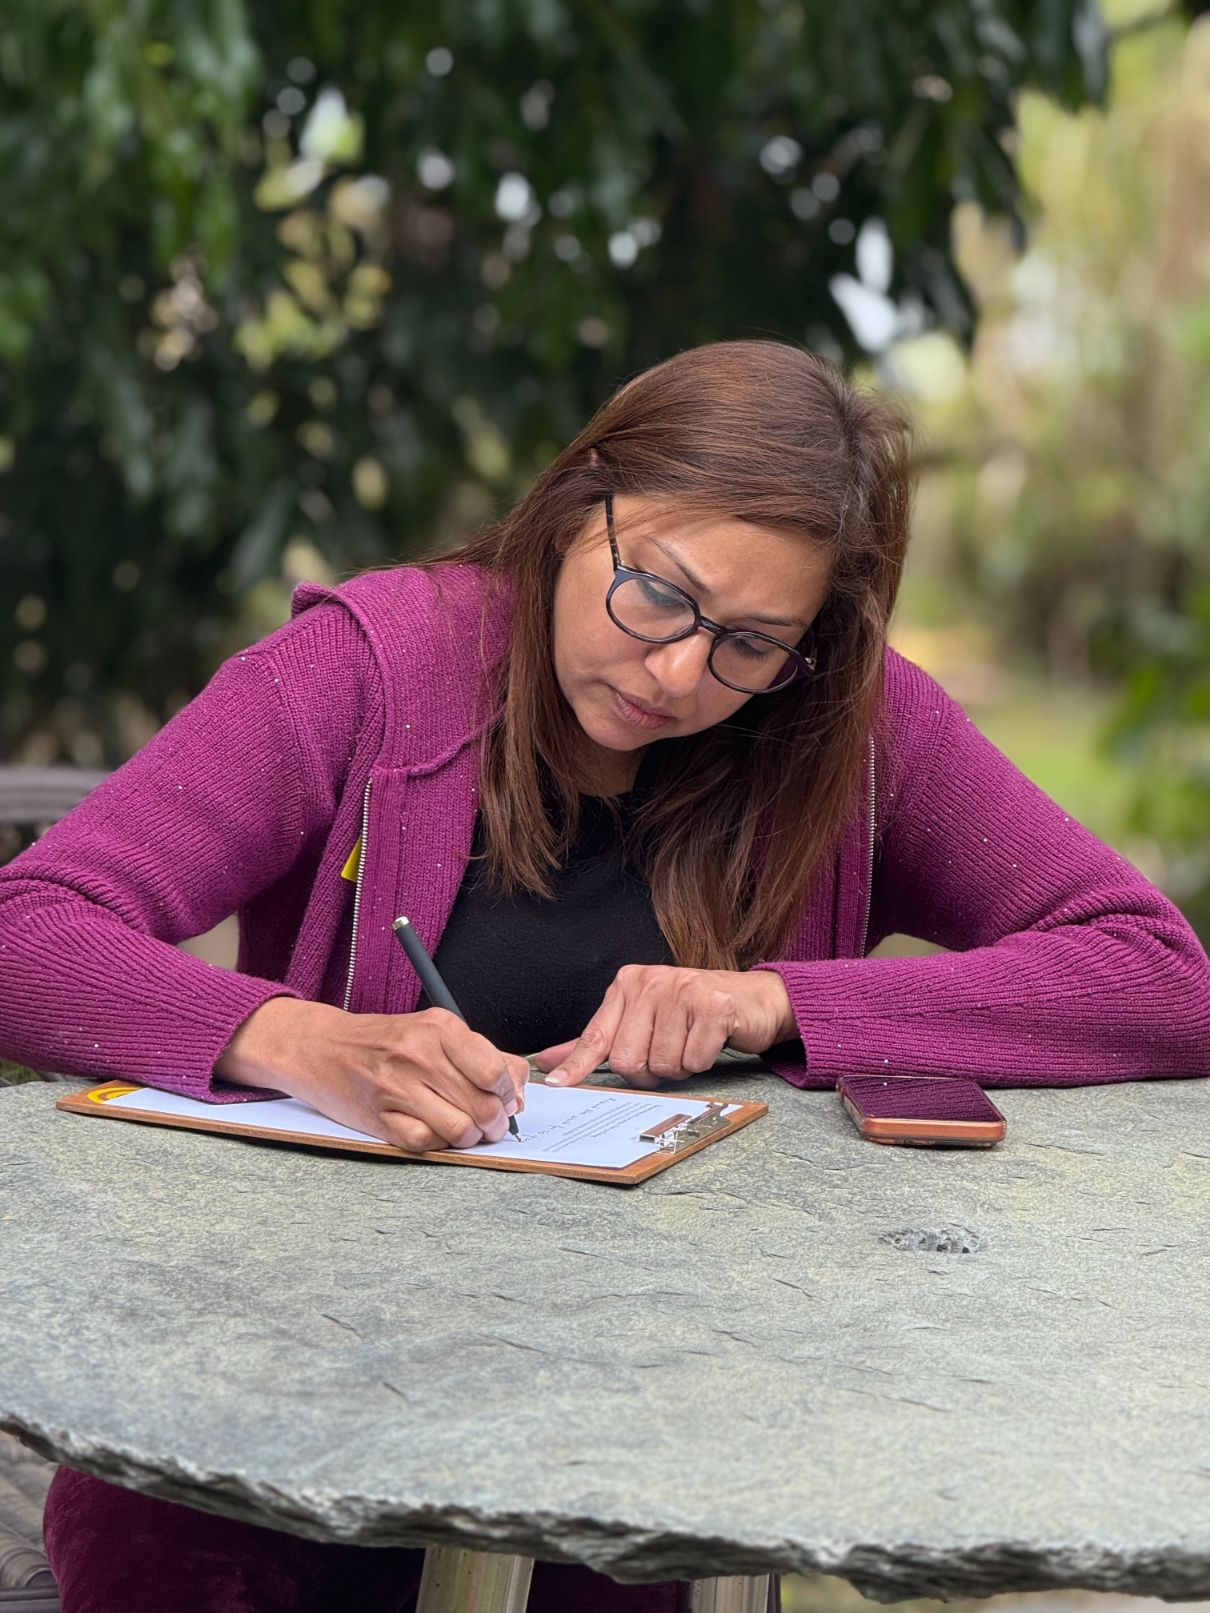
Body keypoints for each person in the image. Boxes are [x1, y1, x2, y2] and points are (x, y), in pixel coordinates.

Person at [2, 340, 1208, 1613]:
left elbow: (1159, 972)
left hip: (649, 1426)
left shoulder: (847, 734)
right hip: (266, 1401)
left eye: (751, 641)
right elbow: (30, 926)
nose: (679, 672)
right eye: (658, 594)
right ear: (578, 506)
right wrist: (301, 1039)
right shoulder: (366, 672)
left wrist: (776, 999)